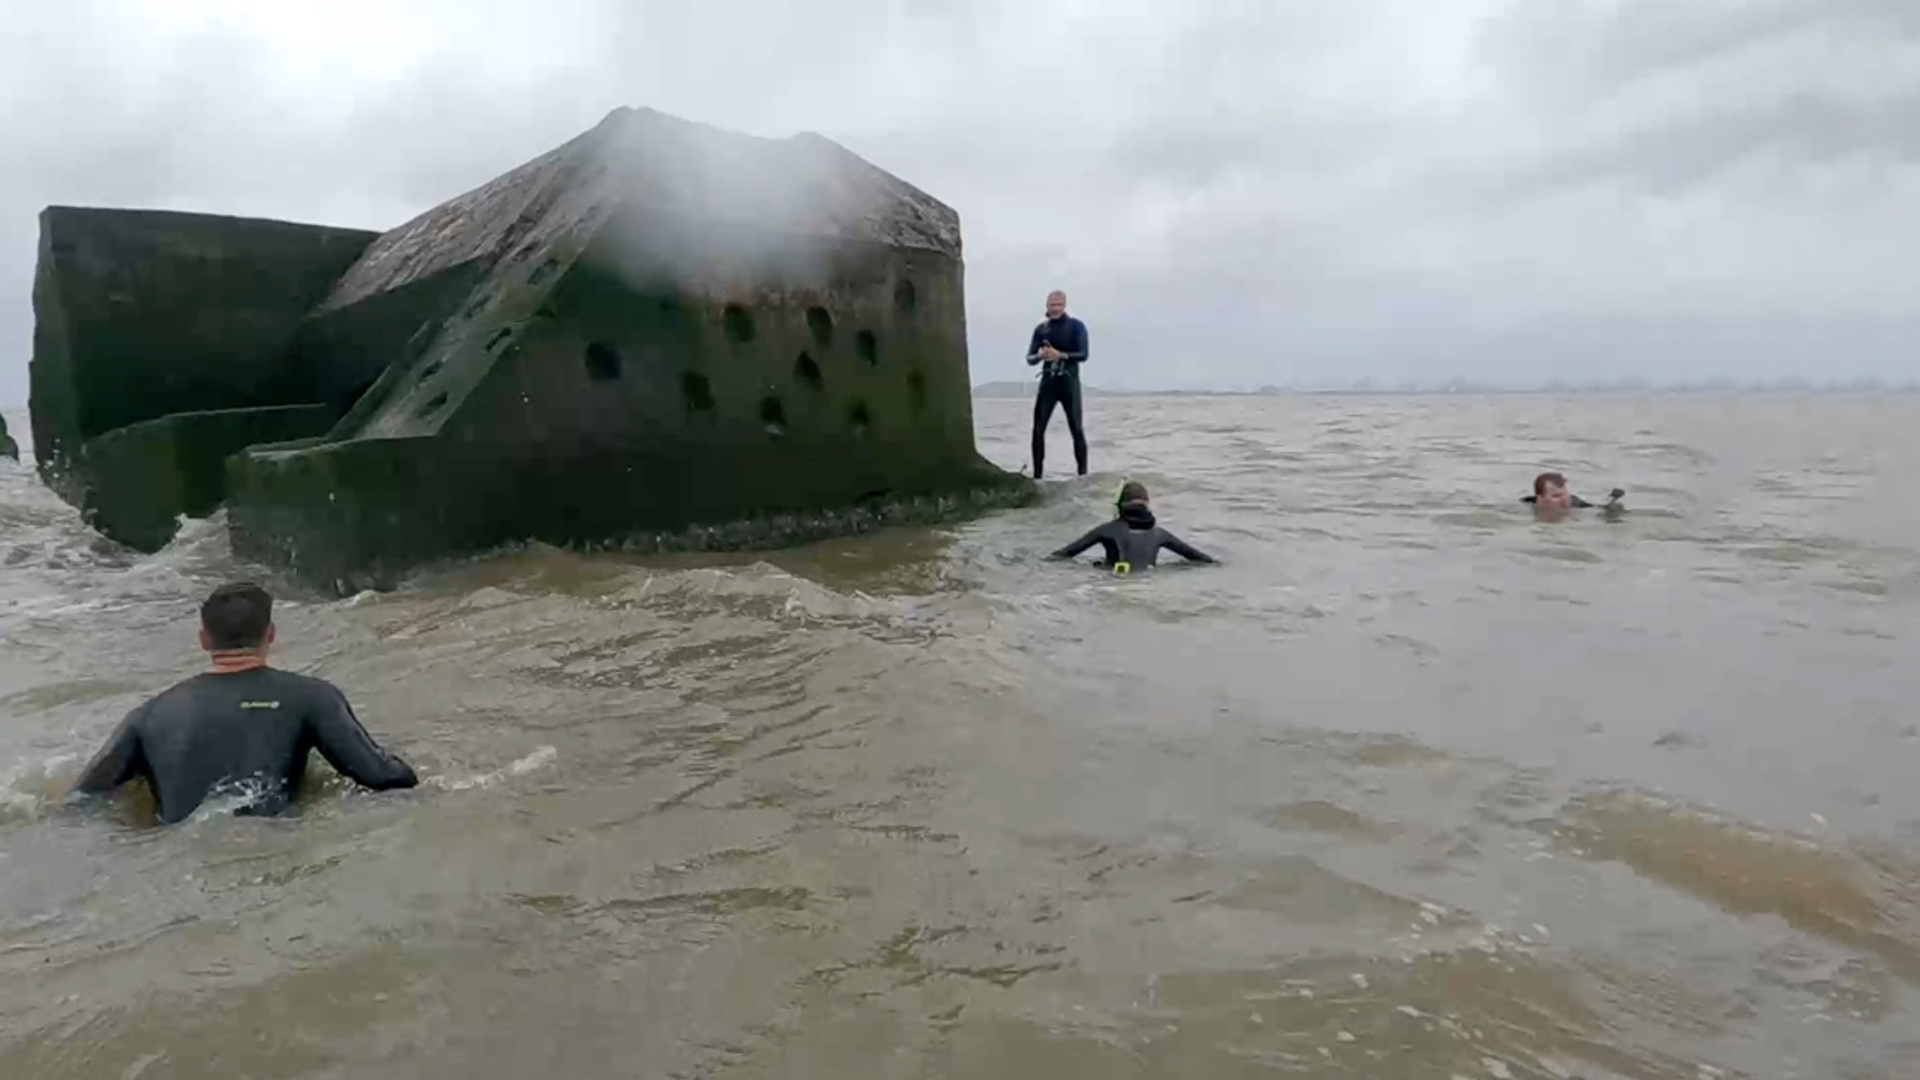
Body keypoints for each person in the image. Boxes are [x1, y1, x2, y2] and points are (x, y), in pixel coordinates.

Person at [67, 582, 418, 825]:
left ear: (204, 640)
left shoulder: (150, 714)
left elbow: (81, 802)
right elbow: (384, 778)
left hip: (181, 869)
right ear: (271, 634)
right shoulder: (312, 697)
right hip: (273, 853)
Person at [1049, 481, 1215, 571]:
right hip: (1147, 584)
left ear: (1119, 506)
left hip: (1110, 585)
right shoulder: (1160, 534)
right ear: (1147, 504)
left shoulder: (1106, 530)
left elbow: (1060, 556)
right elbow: (1202, 560)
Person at [1025, 289, 1091, 478]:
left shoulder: (1076, 326)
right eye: (1052, 305)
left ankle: (1082, 475)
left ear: (1064, 305)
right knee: (1038, 429)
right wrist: (1039, 356)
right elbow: (1029, 358)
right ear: (1047, 306)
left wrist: (1060, 355)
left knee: (1076, 428)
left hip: (1069, 382)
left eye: (1058, 305)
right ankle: (1037, 476)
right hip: (1048, 383)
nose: (1055, 309)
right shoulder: (1042, 329)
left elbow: (1084, 354)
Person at [1522, 472, 1624, 519]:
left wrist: (1614, 501)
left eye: (1565, 494)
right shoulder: (1526, 506)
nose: (1563, 500)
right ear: (1540, 499)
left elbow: (1601, 510)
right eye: (1556, 497)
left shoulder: (1575, 503)